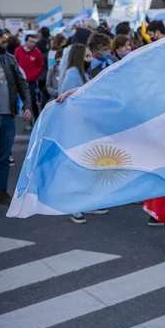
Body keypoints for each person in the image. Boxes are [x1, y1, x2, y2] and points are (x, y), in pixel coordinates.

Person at [59, 43, 108, 223]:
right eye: (87, 57)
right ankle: (75, 207)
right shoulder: (73, 74)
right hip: (77, 128)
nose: (90, 60)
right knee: (78, 168)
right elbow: (75, 103)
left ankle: (86, 204)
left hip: (84, 127)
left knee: (86, 167)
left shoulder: (80, 73)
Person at [0, 28, 32, 205]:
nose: (4, 40)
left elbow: (22, 84)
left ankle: (1, 191)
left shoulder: (9, 60)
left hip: (7, 116)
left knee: (4, 157)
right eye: (0, 37)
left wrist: (27, 106)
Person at [14, 34, 44, 121]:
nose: (32, 44)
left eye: (33, 42)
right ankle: (22, 120)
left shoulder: (37, 53)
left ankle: (36, 120)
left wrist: (33, 75)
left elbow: (41, 66)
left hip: (32, 82)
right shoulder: (18, 51)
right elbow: (15, 64)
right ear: (26, 42)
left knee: (32, 101)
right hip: (20, 82)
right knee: (20, 101)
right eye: (30, 42)